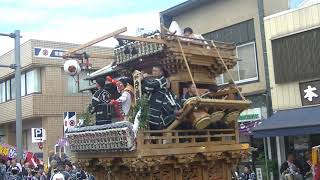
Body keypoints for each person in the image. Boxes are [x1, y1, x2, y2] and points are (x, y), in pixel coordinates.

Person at [141, 66, 179, 130]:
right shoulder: (152, 80)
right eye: (153, 71)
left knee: (154, 131)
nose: (154, 72)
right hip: (149, 110)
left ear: (161, 72)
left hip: (155, 112)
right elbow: (145, 89)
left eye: (156, 71)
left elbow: (149, 87)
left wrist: (144, 78)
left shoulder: (163, 80)